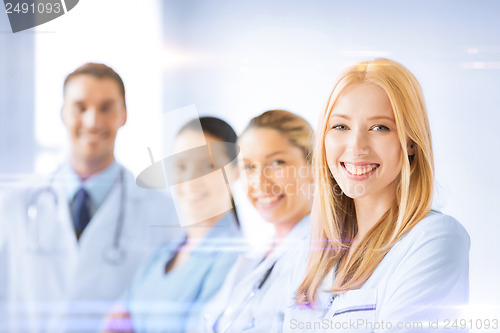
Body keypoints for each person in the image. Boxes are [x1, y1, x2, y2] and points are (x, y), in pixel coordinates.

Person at [283, 58, 470, 332]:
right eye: (340, 127)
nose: (356, 146)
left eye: (379, 127)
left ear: (410, 142)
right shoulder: (312, 253)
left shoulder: (435, 238)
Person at [0, 63, 179, 333]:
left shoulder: (162, 213)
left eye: (106, 108)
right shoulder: (14, 205)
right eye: (80, 107)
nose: (93, 121)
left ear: (124, 114)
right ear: (63, 113)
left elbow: (169, 310)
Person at [102, 117, 243, 333]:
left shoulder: (236, 261)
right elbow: (115, 323)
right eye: (181, 166)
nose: (190, 179)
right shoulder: (163, 253)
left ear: (236, 171)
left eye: (208, 165)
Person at [200, 110, 315, 333]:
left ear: (312, 166)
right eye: (249, 167)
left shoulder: (323, 256)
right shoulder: (254, 258)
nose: (260, 182)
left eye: (277, 163)